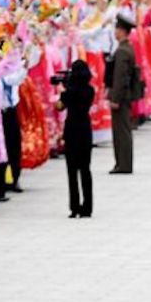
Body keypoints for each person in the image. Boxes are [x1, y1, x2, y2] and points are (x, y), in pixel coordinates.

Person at [57, 60, 95, 218]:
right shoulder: (90, 90)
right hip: (85, 129)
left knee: (72, 171)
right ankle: (88, 207)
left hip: (71, 130)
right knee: (86, 170)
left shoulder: (69, 92)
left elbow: (59, 106)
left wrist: (62, 91)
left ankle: (74, 206)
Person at [108, 15, 137, 174]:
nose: (115, 32)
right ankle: (122, 163)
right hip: (125, 95)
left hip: (121, 96)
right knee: (122, 130)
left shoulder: (122, 51)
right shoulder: (127, 48)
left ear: (122, 31)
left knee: (121, 131)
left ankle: (124, 164)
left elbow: (120, 77)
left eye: (117, 29)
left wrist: (115, 98)